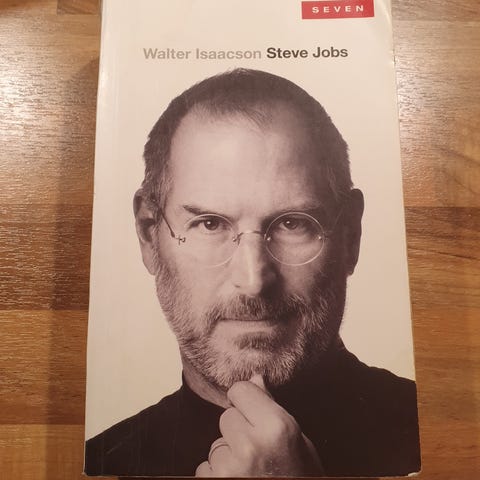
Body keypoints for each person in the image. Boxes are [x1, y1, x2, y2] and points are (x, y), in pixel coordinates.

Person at [85, 69, 421, 477]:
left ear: (350, 235)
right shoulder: (100, 463)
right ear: (148, 234)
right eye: (210, 224)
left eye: (293, 224)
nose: (254, 280)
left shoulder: (443, 431)